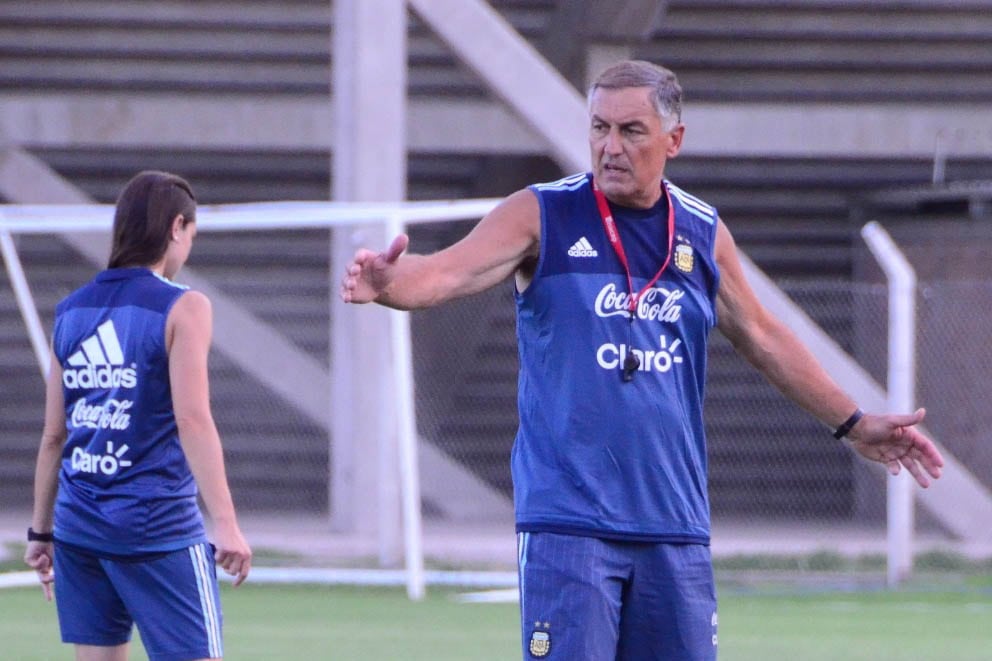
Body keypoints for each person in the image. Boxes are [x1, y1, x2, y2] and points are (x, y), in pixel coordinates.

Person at [339, 60, 944, 660]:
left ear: (673, 140)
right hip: (570, 526)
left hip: (673, 526)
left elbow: (764, 336)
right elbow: (446, 273)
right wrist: (392, 283)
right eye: (599, 128)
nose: (610, 147)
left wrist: (855, 422)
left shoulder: (702, 232)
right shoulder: (542, 214)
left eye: (631, 131)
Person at [24, 170, 252, 661]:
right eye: (192, 234)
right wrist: (227, 524)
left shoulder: (70, 311)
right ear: (176, 228)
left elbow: (53, 436)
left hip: (78, 529)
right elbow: (193, 419)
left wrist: (41, 533)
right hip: (157, 528)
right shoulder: (184, 306)